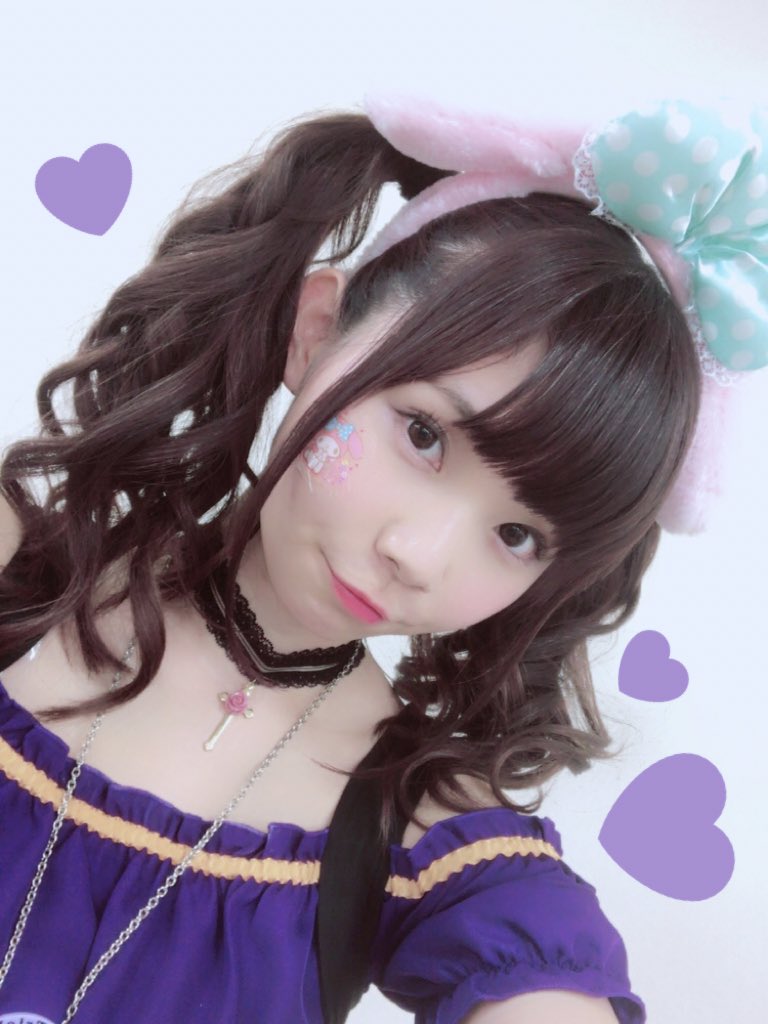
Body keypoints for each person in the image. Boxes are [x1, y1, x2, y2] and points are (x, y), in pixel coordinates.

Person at [0, 95, 765, 1024]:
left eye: (518, 535)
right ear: (317, 330)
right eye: (424, 435)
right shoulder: (21, 582)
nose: (416, 555)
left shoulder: (428, 834)